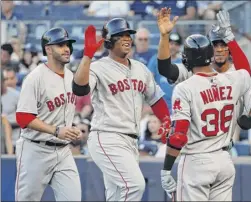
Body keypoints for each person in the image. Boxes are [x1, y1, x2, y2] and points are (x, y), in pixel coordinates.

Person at [157, 8, 251, 201]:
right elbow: (165, 69)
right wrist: (164, 37)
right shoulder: (235, 78)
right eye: (215, 45)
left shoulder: (232, 76)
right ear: (208, 50)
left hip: (205, 156)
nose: (220, 49)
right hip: (220, 159)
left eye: (224, 44)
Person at [72, 18, 171, 201]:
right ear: (109, 41)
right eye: (120, 36)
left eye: (128, 35)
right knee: (135, 185)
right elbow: (79, 88)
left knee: (117, 194)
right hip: (107, 136)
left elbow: (156, 99)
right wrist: (87, 57)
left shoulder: (141, 69)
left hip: (131, 141)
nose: (127, 39)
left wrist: (166, 120)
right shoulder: (98, 67)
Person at [15, 27, 82, 201]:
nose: (67, 48)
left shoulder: (70, 76)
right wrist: (56, 130)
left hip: (63, 151)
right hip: (35, 149)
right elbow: (23, 117)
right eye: (60, 45)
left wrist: (72, 129)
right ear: (48, 49)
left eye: (67, 44)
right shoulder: (35, 78)